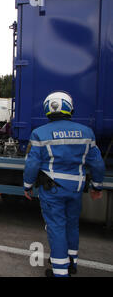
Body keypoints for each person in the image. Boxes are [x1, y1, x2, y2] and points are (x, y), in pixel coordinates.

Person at [23, 91, 105, 277]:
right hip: (76, 189)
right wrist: (97, 186)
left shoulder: (39, 133)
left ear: (47, 109)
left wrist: (27, 186)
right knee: (72, 225)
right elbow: (98, 163)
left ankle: (60, 272)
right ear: (69, 107)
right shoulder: (86, 132)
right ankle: (72, 263)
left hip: (52, 190)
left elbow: (32, 164)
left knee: (56, 227)